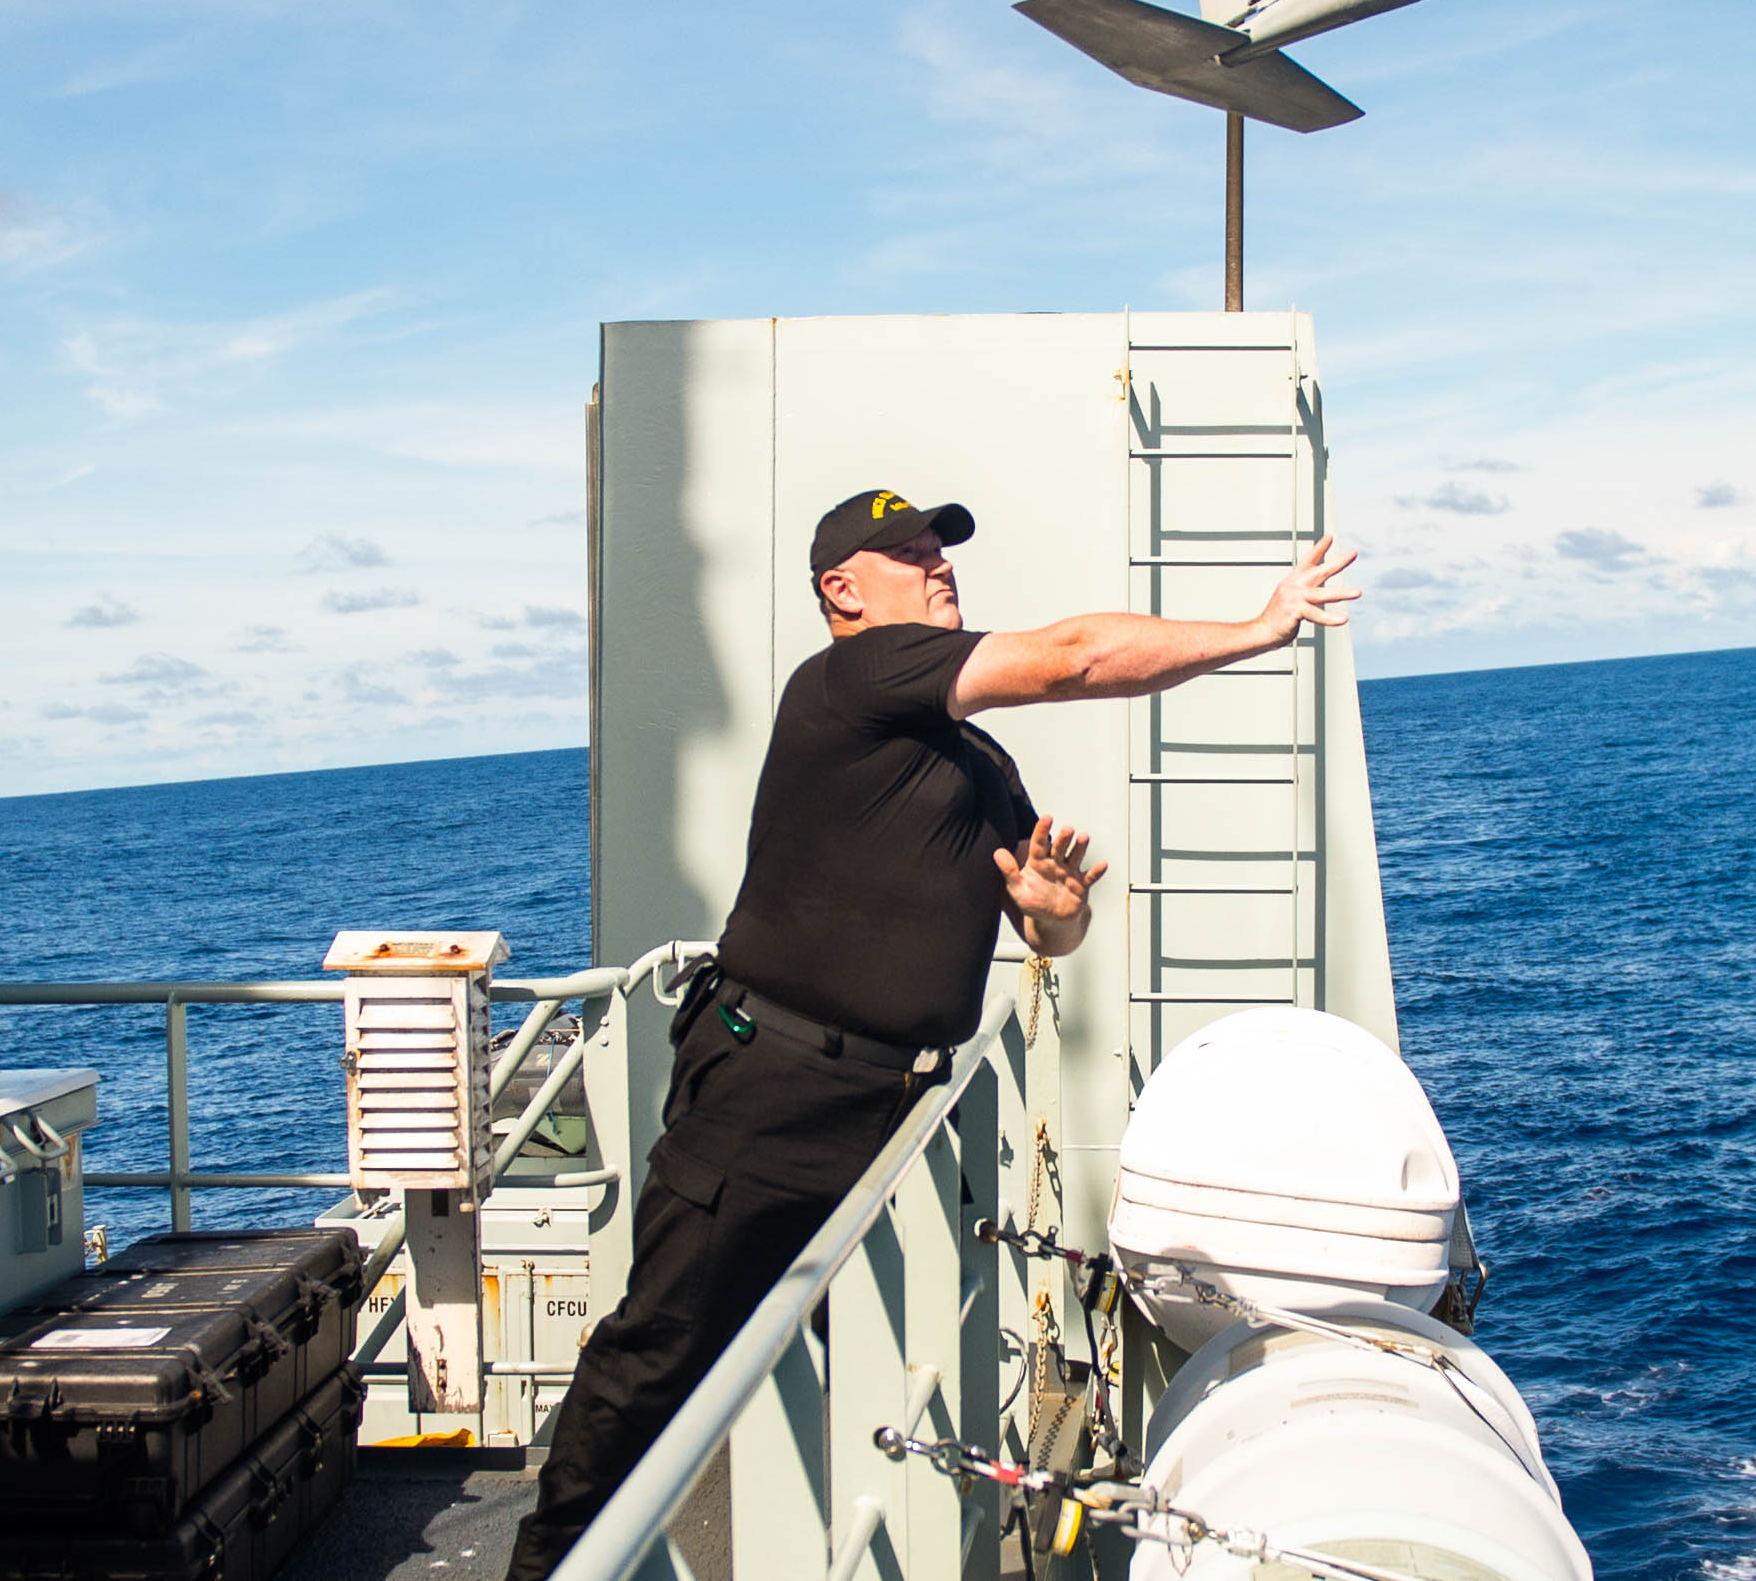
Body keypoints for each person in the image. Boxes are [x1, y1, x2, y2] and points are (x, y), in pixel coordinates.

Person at [508, 488, 1359, 1580]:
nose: (936, 565)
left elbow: (1052, 927)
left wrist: (1056, 902)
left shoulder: (974, 760)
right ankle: (544, 1566)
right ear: (844, 591)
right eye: (906, 553)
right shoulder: (853, 678)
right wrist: (1255, 628)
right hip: (771, 1088)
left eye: (940, 549)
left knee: (848, 1364)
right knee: (661, 1345)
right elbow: (1071, 659)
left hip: (892, 1106)